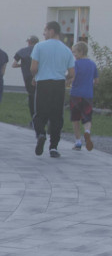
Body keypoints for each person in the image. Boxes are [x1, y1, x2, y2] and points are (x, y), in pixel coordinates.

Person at [31, 21, 76, 158]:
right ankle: (54, 147)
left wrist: (35, 76)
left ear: (51, 31)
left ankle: (41, 134)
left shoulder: (39, 46)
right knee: (57, 116)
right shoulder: (67, 49)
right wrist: (66, 78)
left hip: (43, 83)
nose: (43, 34)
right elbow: (72, 73)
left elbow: (33, 68)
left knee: (39, 113)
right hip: (59, 84)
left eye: (45, 31)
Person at [70, 42, 98, 151]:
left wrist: (67, 81)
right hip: (88, 95)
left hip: (76, 94)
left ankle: (77, 142)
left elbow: (72, 77)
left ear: (81, 52)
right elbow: (97, 80)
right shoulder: (92, 64)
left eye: (75, 53)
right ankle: (87, 132)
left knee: (75, 118)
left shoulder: (76, 64)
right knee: (87, 117)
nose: (74, 55)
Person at [12, 35, 40, 126]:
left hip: (28, 77)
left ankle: (33, 119)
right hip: (40, 76)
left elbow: (14, 64)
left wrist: (23, 65)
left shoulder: (22, 51)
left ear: (29, 42)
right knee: (41, 98)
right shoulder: (40, 50)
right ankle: (43, 119)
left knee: (31, 98)